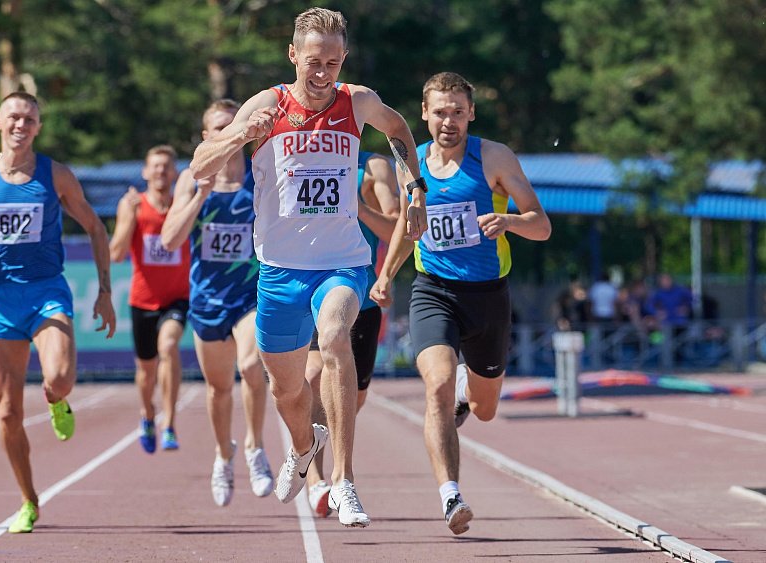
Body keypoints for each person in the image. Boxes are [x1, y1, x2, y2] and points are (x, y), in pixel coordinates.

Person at [190, 7, 428, 528]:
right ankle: (302, 449)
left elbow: (398, 128)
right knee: (287, 391)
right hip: (279, 271)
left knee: (336, 336)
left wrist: (415, 187)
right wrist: (238, 135)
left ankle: (344, 480)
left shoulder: (356, 101)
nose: (322, 74)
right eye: (313, 62)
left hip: (342, 262)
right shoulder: (267, 104)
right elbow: (199, 166)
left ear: (344, 59)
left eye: (333, 63)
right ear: (293, 56)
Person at [371, 72, 551, 535]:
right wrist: (385, 276)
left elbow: (541, 225)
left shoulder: (494, 157)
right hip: (433, 290)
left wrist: (510, 222)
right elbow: (407, 224)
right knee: (437, 385)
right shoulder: (410, 162)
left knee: (485, 408)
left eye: (457, 112)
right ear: (424, 114)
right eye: (439, 112)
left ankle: (469, 390)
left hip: (487, 296)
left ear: (471, 113)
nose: (448, 121)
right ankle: (450, 494)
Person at [0, 91, 116, 533]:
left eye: (29, 119)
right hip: (0, 300)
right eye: (14, 117)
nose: (21, 125)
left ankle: (56, 400)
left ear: (38, 128)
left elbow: (95, 228)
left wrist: (104, 291)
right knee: (7, 412)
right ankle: (28, 500)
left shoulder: (55, 175)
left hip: (45, 293)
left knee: (60, 377)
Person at [161, 100, 273, 507]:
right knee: (218, 388)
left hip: (250, 295)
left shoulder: (261, 176)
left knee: (252, 366)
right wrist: (199, 197)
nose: (228, 132)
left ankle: (255, 446)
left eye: (234, 124)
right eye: (219, 128)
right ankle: (224, 455)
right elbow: (169, 240)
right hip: (208, 299)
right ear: (207, 137)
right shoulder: (191, 179)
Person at [303, 150, 400, 518]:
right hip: (311, 289)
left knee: (349, 400)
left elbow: (394, 229)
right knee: (315, 377)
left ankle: (324, 456)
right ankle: (317, 481)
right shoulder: (301, 156)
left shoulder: (373, 167)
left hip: (360, 297)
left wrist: (356, 206)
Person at [109, 145, 190, 454]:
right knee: (146, 371)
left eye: (166, 166)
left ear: (174, 173)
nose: (160, 171)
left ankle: (169, 423)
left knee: (168, 347)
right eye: (155, 166)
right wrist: (129, 218)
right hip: (143, 300)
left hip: (177, 298)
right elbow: (116, 254)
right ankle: (147, 414)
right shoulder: (133, 205)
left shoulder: (184, 205)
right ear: (145, 172)